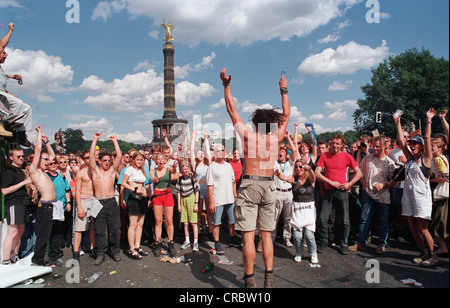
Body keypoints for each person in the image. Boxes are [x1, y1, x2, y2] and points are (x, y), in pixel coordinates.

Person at [221, 68, 290, 288]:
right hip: (270, 185)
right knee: (267, 235)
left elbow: (232, 111)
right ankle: (269, 277)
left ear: (255, 122)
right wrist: (283, 90)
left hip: (250, 183)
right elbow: (286, 115)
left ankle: (250, 280)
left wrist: (226, 85)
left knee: (248, 237)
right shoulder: (276, 138)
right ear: (272, 123)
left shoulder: (249, 136)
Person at [394, 108, 437, 267]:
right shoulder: (410, 160)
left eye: (414, 144)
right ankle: (423, 251)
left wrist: (428, 120)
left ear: (421, 146)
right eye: (410, 144)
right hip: (408, 196)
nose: (411, 146)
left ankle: (432, 255)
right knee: (412, 225)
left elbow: (426, 137)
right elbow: (400, 139)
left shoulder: (426, 159)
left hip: (421, 197)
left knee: (422, 227)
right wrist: (398, 122)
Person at [315, 134, 362, 255]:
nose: (334, 145)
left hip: (342, 190)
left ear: (342, 145)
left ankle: (343, 243)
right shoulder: (324, 156)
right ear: (330, 144)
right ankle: (324, 241)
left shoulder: (347, 156)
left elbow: (359, 173)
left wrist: (349, 184)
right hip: (328, 190)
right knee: (322, 218)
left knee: (345, 220)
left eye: (337, 143)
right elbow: (317, 173)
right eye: (333, 143)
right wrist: (330, 181)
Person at [349, 136, 396, 254]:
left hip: (383, 195)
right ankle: (361, 242)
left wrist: (384, 185)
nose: (375, 149)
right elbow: (361, 173)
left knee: (383, 220)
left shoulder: (389, 162)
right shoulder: (368, 158)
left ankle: (381, 244)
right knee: (364, 218)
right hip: (367, 193)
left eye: (378, 147)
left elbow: (394, 181)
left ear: (384, 146)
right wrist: (364, 185)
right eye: (373, 146)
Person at [88, 132, 123, 265]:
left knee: (115, 228)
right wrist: (95, 139)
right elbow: (91, 156)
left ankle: (115, 251)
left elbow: (119, 156)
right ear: (99, 161)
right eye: (104, 160)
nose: (107, 163)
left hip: (111, 201)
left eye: (109, 160)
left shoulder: (112, 171)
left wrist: (115, 141)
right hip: (98, 202)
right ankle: (100, 253)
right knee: (99, 230)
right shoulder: (95, 171)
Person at [29, 126, 61, 266]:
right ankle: (37, 260)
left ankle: (53, 256)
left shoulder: (45, 171)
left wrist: (47, 142)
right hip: (45, 206)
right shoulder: (34, 171)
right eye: (44, 159)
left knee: (55, 234)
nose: (48, 161)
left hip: (54, 205)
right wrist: (39, 134)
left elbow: (53, 156)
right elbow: (37, 151)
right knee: (43, 236)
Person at [276, 159, 318, 264]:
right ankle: (299, 253)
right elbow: (284, 178)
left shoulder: (310, 179)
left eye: (301, 167)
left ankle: (313, 253)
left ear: (305, 167)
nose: (298, 169)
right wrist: (279, 175)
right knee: (297, 236)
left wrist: (310, 169)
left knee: (309, 235)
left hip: (308, 210)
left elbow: (313, 178)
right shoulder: (294, 179)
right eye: (296, 167)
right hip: (297, 210)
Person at [0, 23, 33, 147]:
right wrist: (10, 31)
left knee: (26, 108)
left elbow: (2, 80)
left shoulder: (2, 70)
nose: (5, 54)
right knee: (17, 104)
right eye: (3, 53)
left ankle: (21, 134)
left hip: (2, 94)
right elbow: (2, 44)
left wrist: (11, 77)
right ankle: (6, 124)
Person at [1, 148, 32, 264]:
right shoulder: (9, 172)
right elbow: (4, 191)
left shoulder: (19, 171)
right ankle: (5, 259)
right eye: (18, 156)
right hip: (14, 203)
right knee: (12, 231)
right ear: (11, 157)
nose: (21, 158)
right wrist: (24, 183)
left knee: (20, 230)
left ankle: (15, 255)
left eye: (22, 156)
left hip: (22, 203)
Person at [207, 144, 239, 255]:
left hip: (229, 198)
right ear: (215, 154)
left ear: (224, 152)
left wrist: (234, 195)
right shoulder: (212, 167)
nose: (220, 152)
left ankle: (232, 238)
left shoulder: (228, 166)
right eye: (218, 151)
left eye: (222, 150)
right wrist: (211, 202)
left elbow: (233, 182)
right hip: (218, 199)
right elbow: (210, 185)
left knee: (232, 220)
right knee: (216, 222)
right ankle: (217, 242)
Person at [120, 152, 151, 259]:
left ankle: (138, 246)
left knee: (140, 224)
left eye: (141, 160)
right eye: (137, 159)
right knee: (133, 224)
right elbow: (123, 183)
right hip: (133, 198)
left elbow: (144, 184)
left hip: (142, 198)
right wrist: (134, 190)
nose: (139, 162)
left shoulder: (142, 170)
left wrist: (146, 194)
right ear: (133, 160)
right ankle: (131, 248)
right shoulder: (129, 169)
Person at [150, 153, 178, 257]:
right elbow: (152, 179)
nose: (161, 160)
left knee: (169, 220)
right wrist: (156, 179)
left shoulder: (168, 169)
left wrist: (175, 168)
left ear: (165, 161)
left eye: (162, 158)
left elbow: (174, 173)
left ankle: (170, 242)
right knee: (158, 221)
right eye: (158, 159)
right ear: (156, 161)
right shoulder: (153, 171)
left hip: (167, 195)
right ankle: (157, 243)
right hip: (157, 195)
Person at [272, 132, 297, 247]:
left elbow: (295, 151)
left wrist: (288, 138)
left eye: (282, 151)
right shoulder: (274, 164)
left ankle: (287, 237)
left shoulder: (291, 163)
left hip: (288, 193)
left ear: (286, 154)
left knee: (288, 217)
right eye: (279, 152)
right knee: (274, 217)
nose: (280, 153)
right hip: (277, 192)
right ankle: (271, 238)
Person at [73, 152, 96, 262]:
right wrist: (79, 207)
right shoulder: (81, 173)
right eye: (87, 158)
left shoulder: (96, 171)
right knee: (79, 228)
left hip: (94, 200)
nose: (89, 159)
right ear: (83, 159)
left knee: (92, 227)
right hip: (83, 200)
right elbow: (77, 191)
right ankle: (76, 251)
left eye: (90, 157)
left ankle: (92, 247)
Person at [189, 130, 212, 236]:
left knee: (209, 212)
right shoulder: (195, 165)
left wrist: (206, 138)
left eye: (202, 153)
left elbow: (207, 151)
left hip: (207, 188)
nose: (201, 154)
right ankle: (197, 231)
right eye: (199, 153)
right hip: (198, 190)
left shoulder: (208, 163)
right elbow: (191, 150)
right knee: (197, 212)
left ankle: (211, 231)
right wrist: (193, 138)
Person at [175, 160, 200, 252]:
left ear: (189, 169)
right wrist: (179, 204)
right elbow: (178, 192)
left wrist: (196, 204)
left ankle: (196, 241)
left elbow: (197, 191)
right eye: (183, 169)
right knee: (185, 223)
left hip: (191, 198)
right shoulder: (180, 179)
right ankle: (187, 240)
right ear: (181, 170)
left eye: (187, 168)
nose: (185, 170)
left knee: (193, 222)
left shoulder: (193, 178)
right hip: (183, 199)